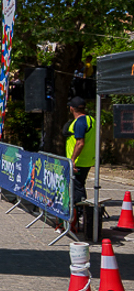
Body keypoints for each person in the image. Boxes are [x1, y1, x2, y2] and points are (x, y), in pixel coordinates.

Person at [65, 96, 96, 227]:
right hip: (88, 160)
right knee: (80, 186)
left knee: (77, 189)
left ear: (72, 108)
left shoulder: (79, 122)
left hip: (78, 162)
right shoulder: (91, 120)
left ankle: (77, 216)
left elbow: (80, 143)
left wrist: (72, 160)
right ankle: (81, 213)